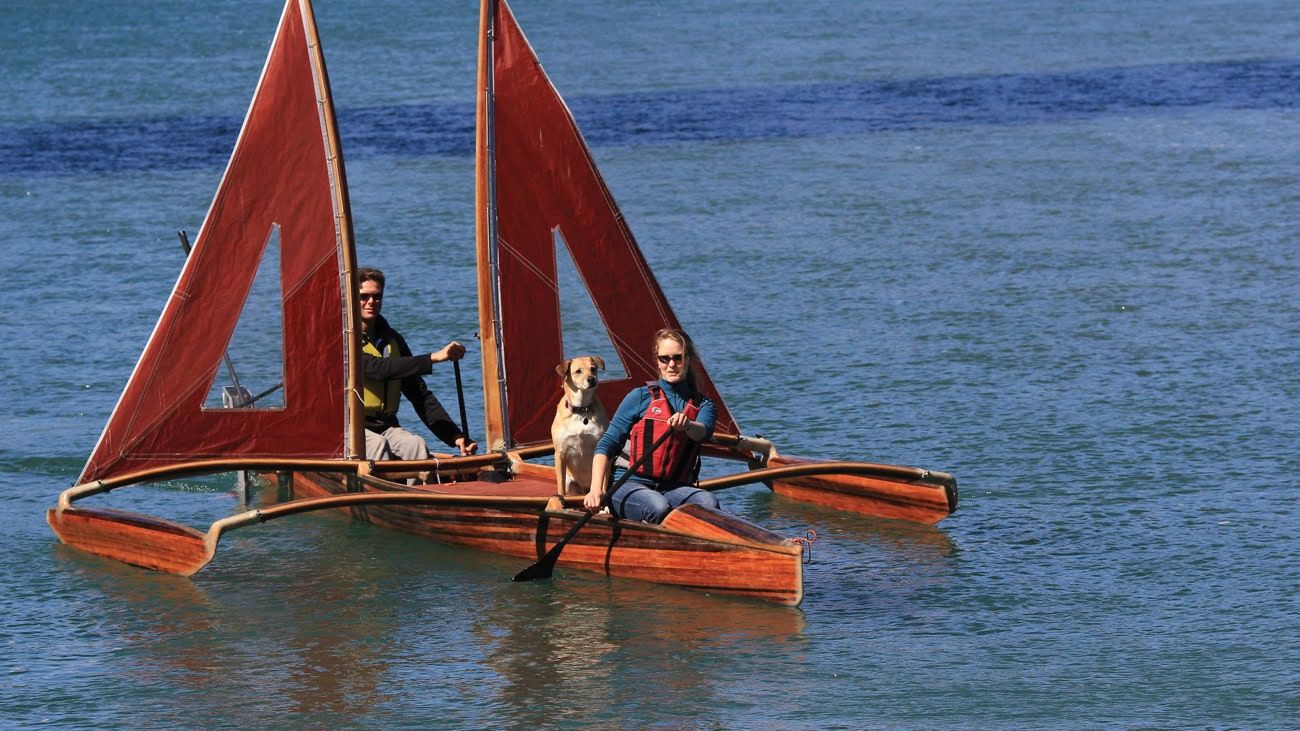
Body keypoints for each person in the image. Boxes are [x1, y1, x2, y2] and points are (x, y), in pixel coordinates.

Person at [585, 328, 720, 523]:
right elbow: (606, 445)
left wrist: (688, 425)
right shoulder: (639, 397)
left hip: (675, 488)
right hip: (628, 486)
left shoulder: (704, 405)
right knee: (658, 507)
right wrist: (595, 490)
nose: (671, 364)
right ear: (657, 361)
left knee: (709, 502)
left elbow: (703, 432)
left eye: (678, 358)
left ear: (688, 359)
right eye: (665, 359)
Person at [357, 267, 477, 461]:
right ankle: (386, 491)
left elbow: (419, 395)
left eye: (377, 296)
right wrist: (433, 358)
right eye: (364, 296)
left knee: (416, 445)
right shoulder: (343, 339)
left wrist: (454, 436)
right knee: (379, 447)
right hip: (350, 430)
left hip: (386, 426)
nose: (371, 302)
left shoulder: (392, 340)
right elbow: (377, 369)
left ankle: (420, 491)